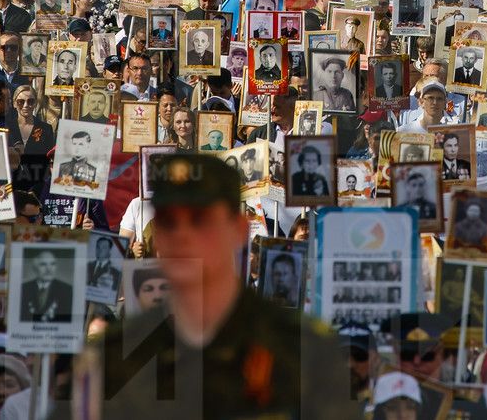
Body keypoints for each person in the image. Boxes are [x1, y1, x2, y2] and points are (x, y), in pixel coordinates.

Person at [78, 153, 359, 419]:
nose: (183, 236)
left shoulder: (301, 350)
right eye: (169, 223)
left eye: (200, 220)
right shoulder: (116, 357)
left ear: (238, 230)